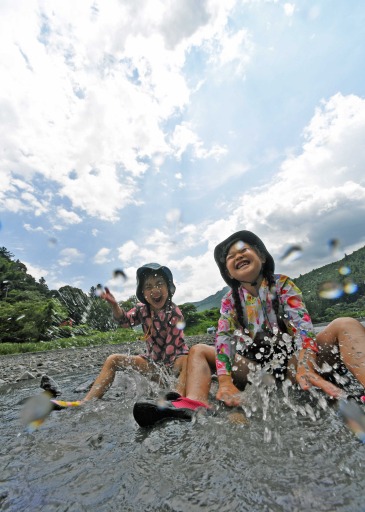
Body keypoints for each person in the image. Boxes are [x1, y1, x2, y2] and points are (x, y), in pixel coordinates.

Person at [133, 231, 365, 427]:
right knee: (199, 350)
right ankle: (193, 403)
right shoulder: (229, 301)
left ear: (261, 256)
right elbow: (223, 339)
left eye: (243, 250)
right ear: (229, 273)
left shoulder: (283, 284)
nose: (237, 256)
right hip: (255, 368)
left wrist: (306, 364)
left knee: (345, 323)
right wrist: (224, 380)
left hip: (297, 362)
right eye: (230, 257)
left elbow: (304, 328)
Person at [52, 263, 189, 408]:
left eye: (159, 284)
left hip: (175, 365)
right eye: (148, 287)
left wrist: (161, 379)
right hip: (154, 363)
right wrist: (114, 306)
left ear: (168, 288)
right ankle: (85, 402)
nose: (155, 290)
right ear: (143, 293)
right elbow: (124, 320)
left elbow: (169, 353)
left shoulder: (174, 312)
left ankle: (176, 402)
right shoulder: (141, 310)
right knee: (113, 359)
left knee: (187, 358)